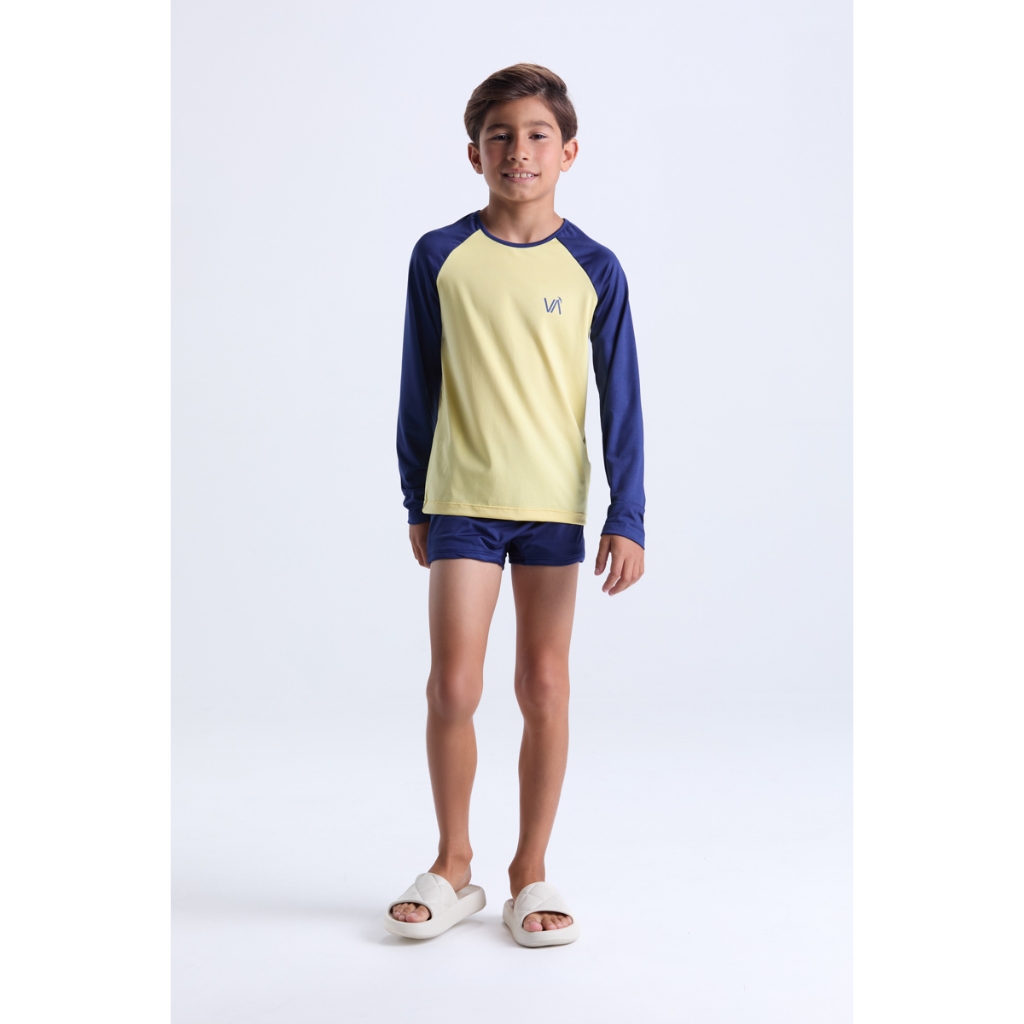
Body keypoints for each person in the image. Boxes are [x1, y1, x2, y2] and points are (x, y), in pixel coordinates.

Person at [385, 64, 645, 947]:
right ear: (475, 154)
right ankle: (453, 863)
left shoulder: (595, 267)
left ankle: (529, 871)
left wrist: (627, 515)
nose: (519, 151)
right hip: (462, 496)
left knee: (544, 684)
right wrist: (415, 496)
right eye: (500, 136)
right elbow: (419, 383)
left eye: (537, 135)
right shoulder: (439, 255)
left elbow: (621, 399)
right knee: (454, 685)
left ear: (568, 152)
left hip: (552, 506)